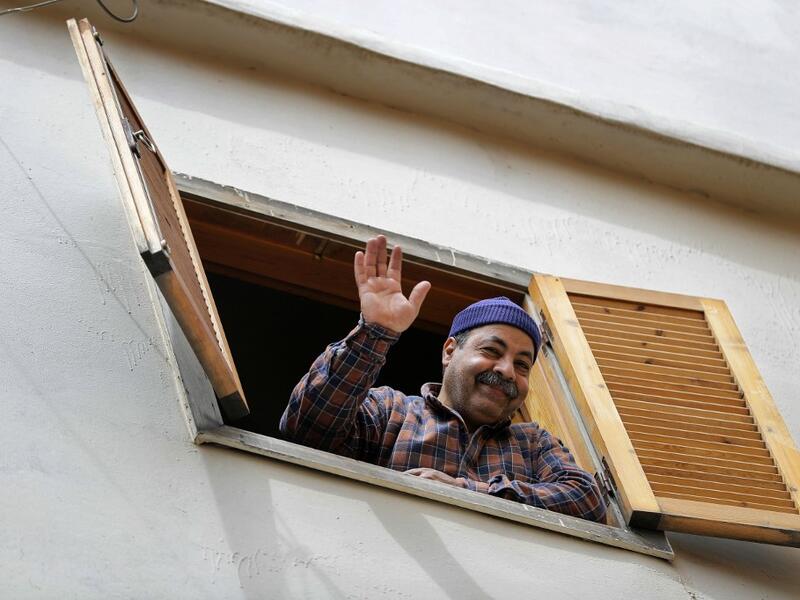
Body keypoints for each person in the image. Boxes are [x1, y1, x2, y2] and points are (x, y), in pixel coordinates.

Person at [280, 235, 606, 522]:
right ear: (450, 351)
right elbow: (307, 429)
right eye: (492, 350)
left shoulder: (533, 443)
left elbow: (587, 500)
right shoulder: (391, 410)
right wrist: (375, 333)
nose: (507, 370)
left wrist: (469, 491)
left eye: (522, 365)